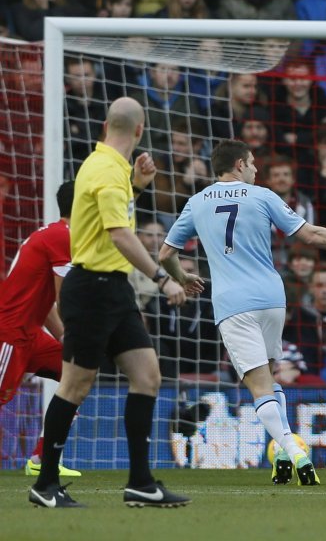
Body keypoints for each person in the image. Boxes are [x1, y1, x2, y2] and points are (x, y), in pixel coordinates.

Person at [159, 139, 326, 486]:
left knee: (257, 386)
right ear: (240, 165)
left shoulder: (196, 203)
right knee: (269, 380)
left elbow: (166, 253)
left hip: (232, 303)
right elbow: (312, 235)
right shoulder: (264, 196)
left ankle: (293, 447)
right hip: (272, 298)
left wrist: (183, 278)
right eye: (253, 163)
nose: (256, 169)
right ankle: (283, 454)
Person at [29, 97, 201, 509]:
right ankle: (45, 483)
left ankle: (140, 482)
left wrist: (138, 186)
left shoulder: (111, 167)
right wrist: (162, 278)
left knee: (147, 376)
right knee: (75, 384)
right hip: (91, 289)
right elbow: (120, 234)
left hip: (115, 290)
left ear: (107, 125)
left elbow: (115, 215)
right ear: (140, 131)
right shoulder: (106, 170)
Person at [0, 182, 79, 477]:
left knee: (77, 372)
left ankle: (43, 458)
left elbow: (44, 302)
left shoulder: (56, 235)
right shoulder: (63, 236)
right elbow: (65, 298)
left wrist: (63, 337)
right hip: (9, 333)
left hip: (31, 334)